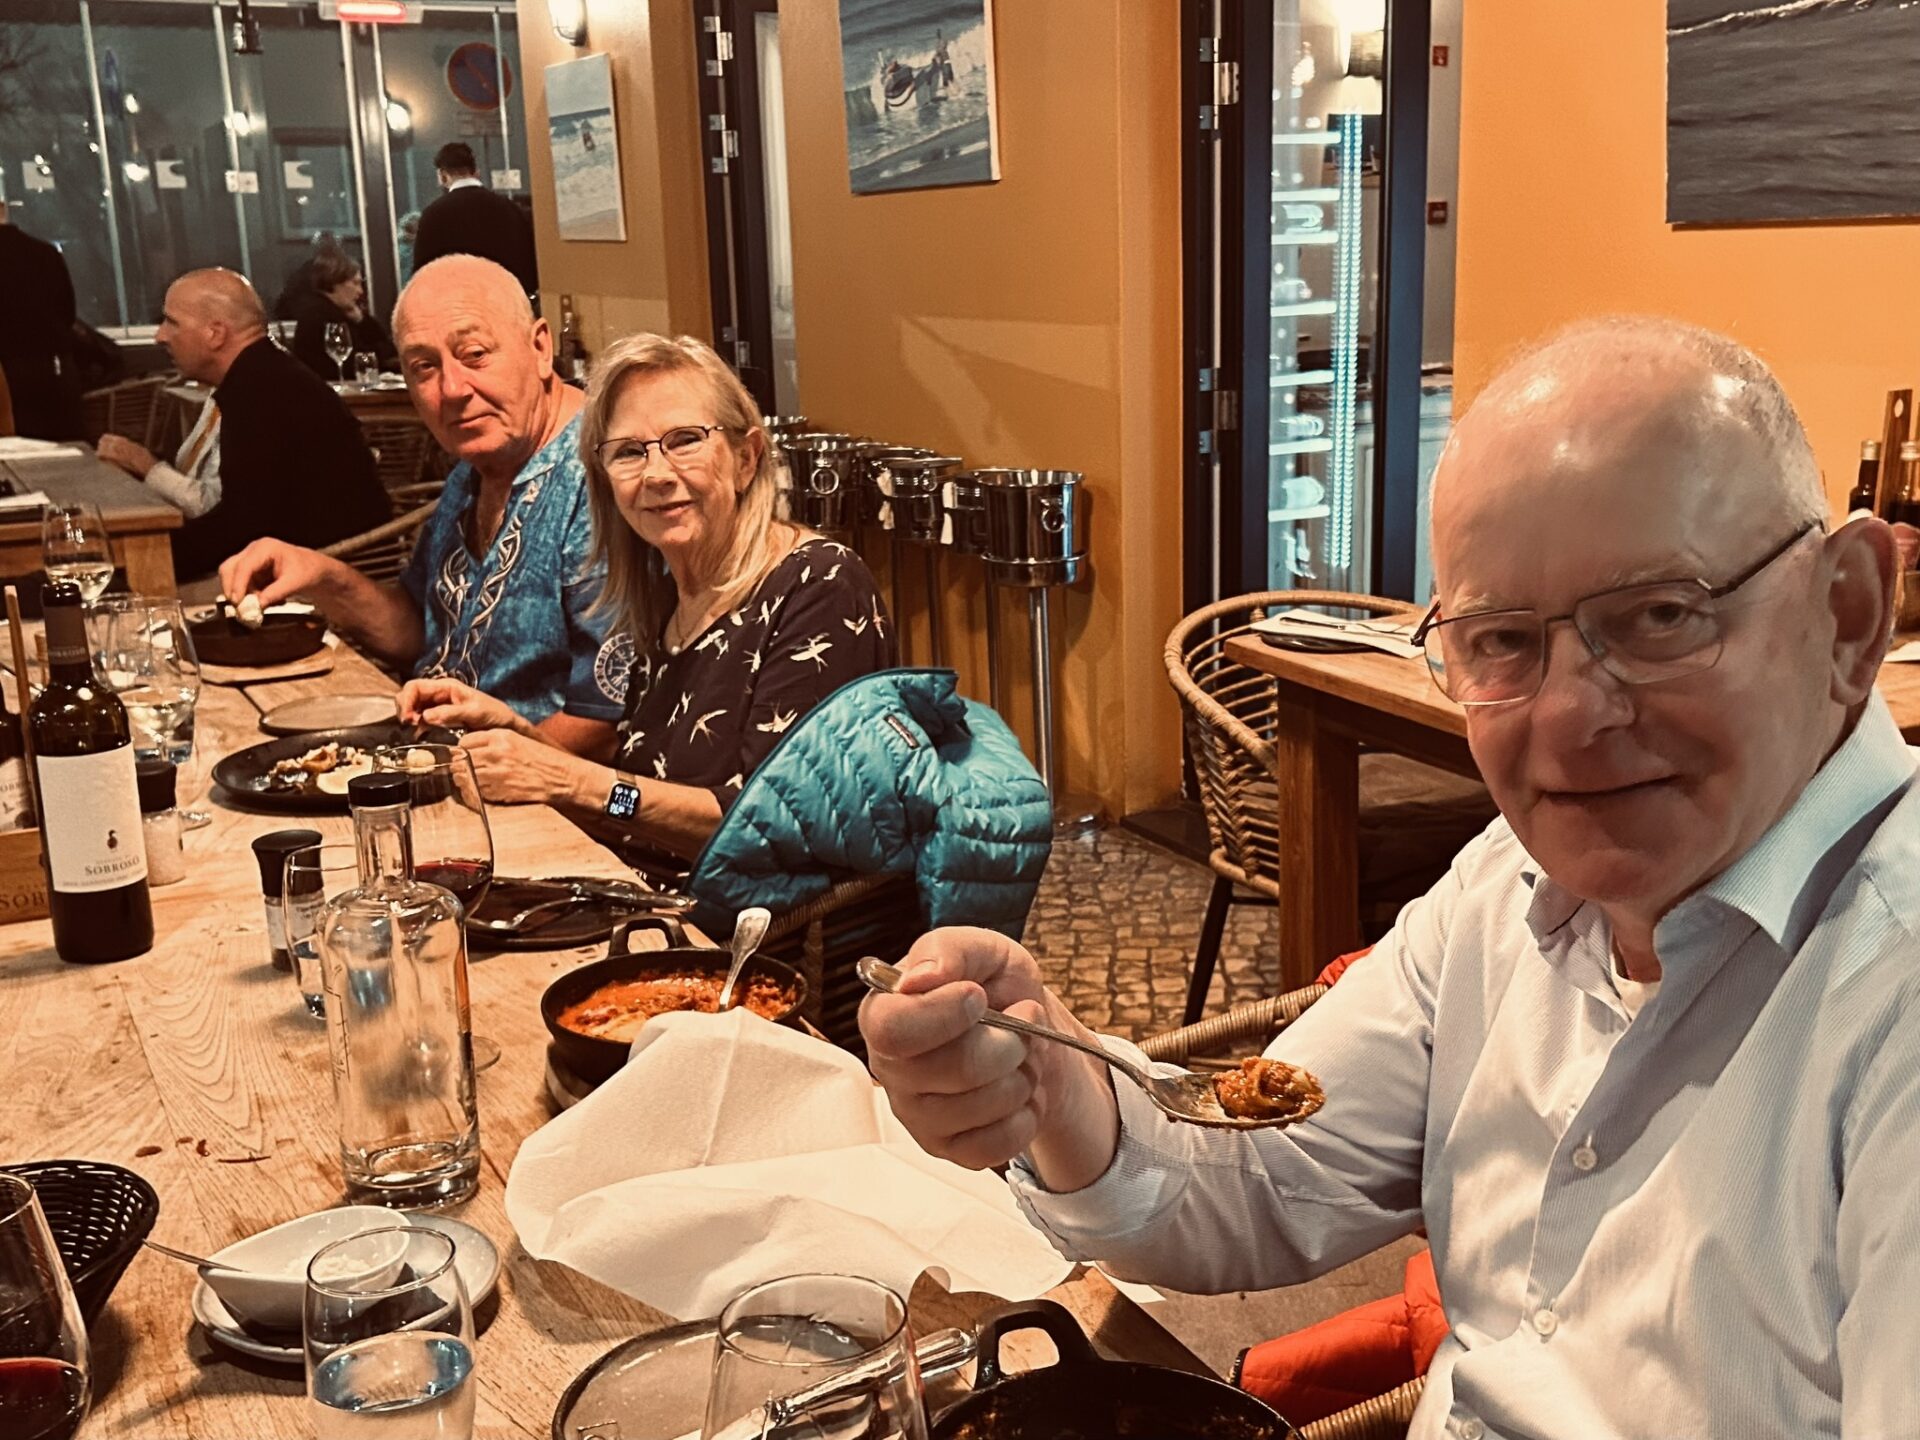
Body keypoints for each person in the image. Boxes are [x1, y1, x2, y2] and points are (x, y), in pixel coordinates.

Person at [862, 317, 1920, 1438]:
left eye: (1662, 615)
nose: (1570, 715)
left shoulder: (1886, 1009)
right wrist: (1054, 1083)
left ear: (1848, 611)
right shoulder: (1504, 892)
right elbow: (1268, 1176)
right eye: (1502, 641)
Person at [393, 332, 894, 873]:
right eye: (629, 452)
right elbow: (632, 803)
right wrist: (515, 733)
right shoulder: (662, 595)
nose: (657, 474)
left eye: (685, 440)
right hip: (633, 884)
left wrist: (567, 780)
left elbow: (777, 828)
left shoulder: (819, 585)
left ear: (746, 458)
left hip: (753, 918)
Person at [218, 255, 624, 755]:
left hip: (529, 785)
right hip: (429, 749)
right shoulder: (474, 470)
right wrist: (321, 576)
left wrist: (450, 770)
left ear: (541, 348)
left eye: (475, 354)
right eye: (424, 367)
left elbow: (606, 719)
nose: (452, 390)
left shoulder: (603, 479)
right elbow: (419, 628)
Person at [96, 268, 387, 580]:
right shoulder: (263, 375)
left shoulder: (263, 391)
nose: (160, 336)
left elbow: (241, 529)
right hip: (303, 562)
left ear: (215, 334)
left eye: (171, 322)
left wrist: (144, 560)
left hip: (324, 580)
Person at [0, 200, 84, 441]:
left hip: (5, 375)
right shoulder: (46, 253)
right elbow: (67, 312)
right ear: (3, 209)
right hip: (51, 369)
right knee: (57, 449)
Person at [410, 142, 538, 297]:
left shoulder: (433, 214)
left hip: (459, 302)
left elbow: (422, 274)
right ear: (476, 172)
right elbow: (530, 262)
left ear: (442, 175)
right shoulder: (510, 208)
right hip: (508, 299)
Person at [286, 250, 398, 381]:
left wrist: (361, 320)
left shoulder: (336, 311)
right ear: (334, 281)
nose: (360, 291)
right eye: (355, 283)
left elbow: (380, 345)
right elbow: (357, 361)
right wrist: (386, 349)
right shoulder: (322, 315)